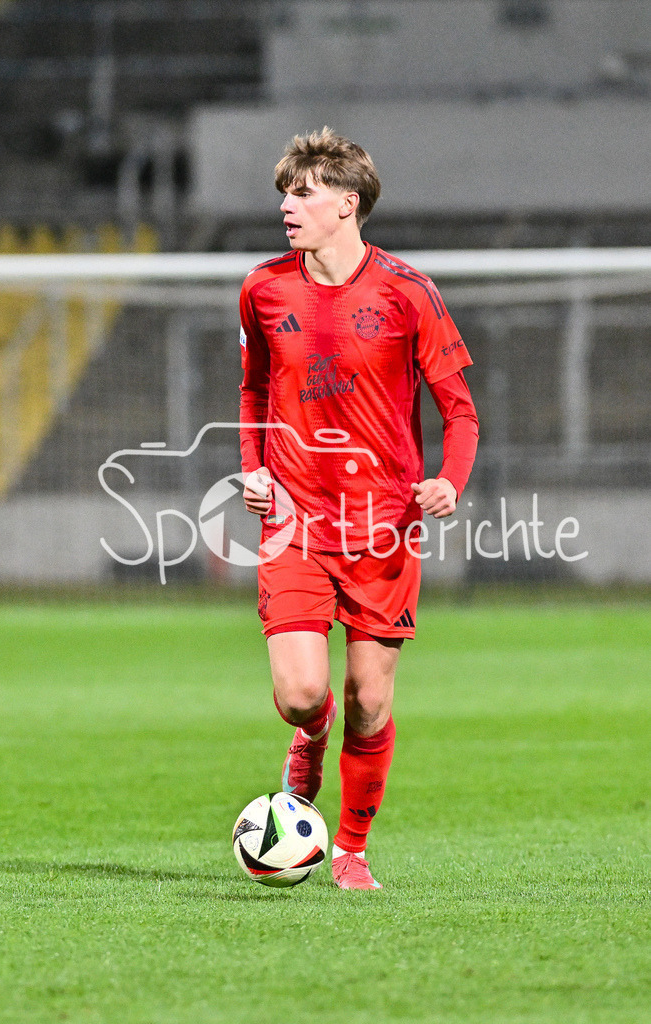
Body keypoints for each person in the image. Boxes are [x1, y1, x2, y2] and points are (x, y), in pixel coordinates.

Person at [239, 127, 478, 889]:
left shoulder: (409, 291)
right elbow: (251, 391)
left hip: (383, 529)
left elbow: (461, 412)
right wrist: (255, 471)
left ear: (348, 204)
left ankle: (350, 852)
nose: (286, 206)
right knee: (303, 695)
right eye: (284, 193)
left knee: (369, 701)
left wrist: (449, 480)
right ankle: (309, 740)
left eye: (302, 194)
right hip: (295, 526)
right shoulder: (263, 287)